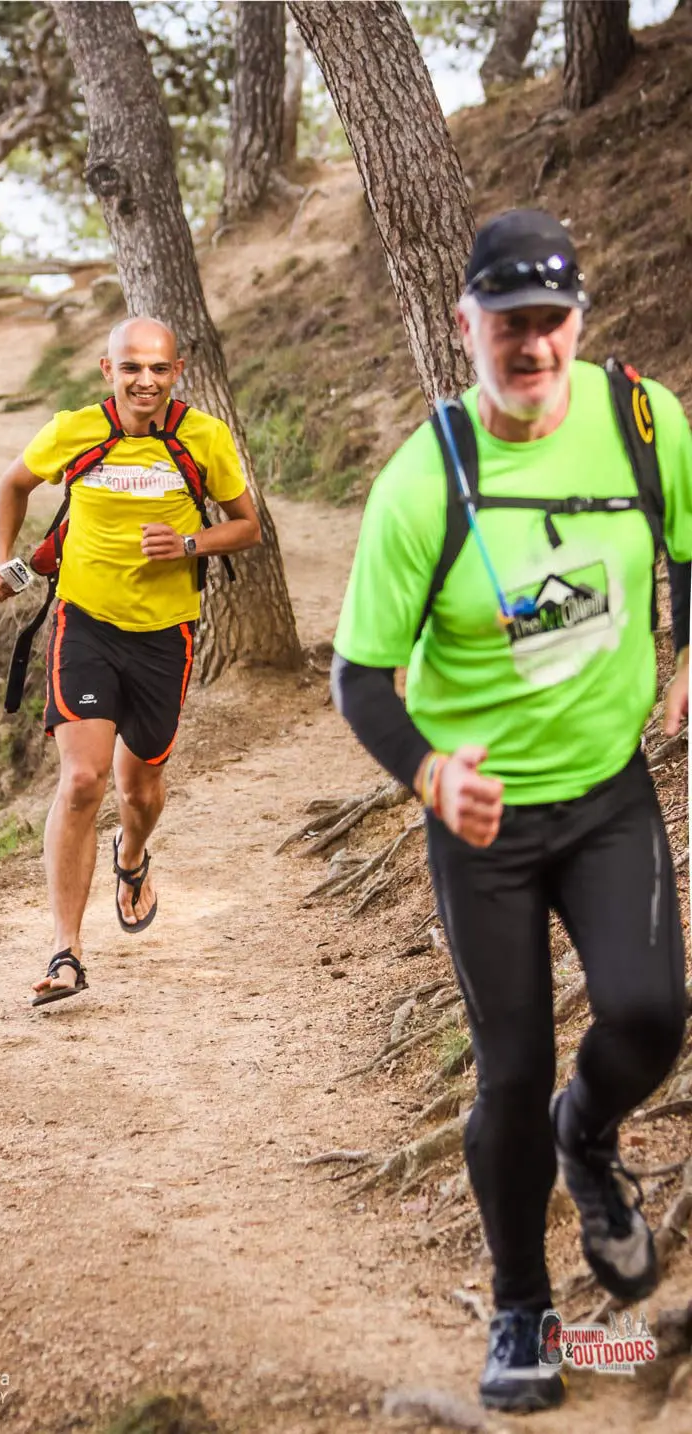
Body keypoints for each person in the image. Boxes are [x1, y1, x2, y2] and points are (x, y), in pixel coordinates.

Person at [331, 209, 691, 1414]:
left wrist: (684, 647)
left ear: (577, 323)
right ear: (464, 327)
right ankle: (520, 1305)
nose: (529, 346)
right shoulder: (421, 482)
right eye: (506, 325)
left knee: (647, 1018)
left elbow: (686, 541)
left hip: (603, 791)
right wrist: (430, 776)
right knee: (505, 1070)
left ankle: (586, 1140)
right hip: (480, 824)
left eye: (548, 323)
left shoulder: (642, 422)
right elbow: (359, 677)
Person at [0, 316, 261, 1005]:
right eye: (131, 368)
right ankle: (66, 951)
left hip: (166, 634)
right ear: (108, 371)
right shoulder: (74, 431)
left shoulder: (203, 439)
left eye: (159, 369)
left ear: (179, 370)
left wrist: (192, 545)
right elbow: (13, 486)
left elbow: (247, 525)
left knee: (140, 792)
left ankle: (131, 857)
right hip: (85, 627)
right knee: (81, 781)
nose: (145, 381)